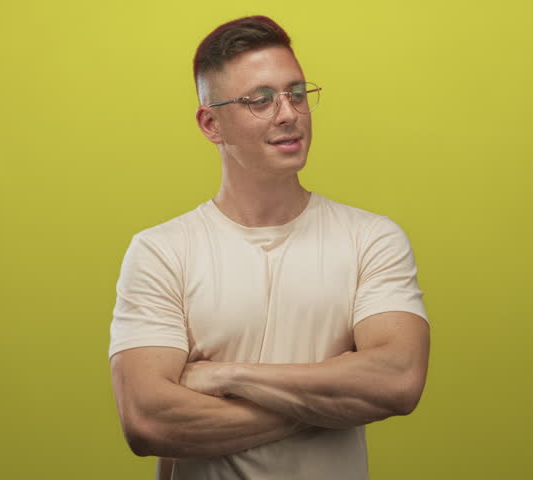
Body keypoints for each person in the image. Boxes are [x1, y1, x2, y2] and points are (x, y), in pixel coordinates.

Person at [108, 15, 431, 480]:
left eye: (296, 93)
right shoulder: (161, 252)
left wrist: (227, 377)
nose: (288, 114)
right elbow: (146, 420)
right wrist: (335, 396)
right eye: (260, 100)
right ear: (211, 124)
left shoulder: (371, 239)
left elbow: (398, 380)